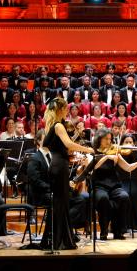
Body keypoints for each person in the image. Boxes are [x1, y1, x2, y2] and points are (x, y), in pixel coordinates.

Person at [38, 97, 94, 249]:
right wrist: (88, 149)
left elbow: (60, 147)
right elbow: (69, 144)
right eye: (66, 109)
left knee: (60, 203)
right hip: (60, 167)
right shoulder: (58, 126)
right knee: (61, 203)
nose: (67, 112)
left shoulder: (51, 126)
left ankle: (56, 238)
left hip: (56, 165)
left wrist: (70, 152)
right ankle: (61, 240)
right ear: (61, 110)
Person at [90, 130, 137, 239]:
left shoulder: (114, 151)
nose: (109, 141)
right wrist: (106, 157)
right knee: (103, 198)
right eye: (106, 139)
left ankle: (118, 231)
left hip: (114, 186)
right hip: (99, 186)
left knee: (124, 197)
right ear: (99, 139)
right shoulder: (93, 152)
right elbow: (92, 168)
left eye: (110, 139)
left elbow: (128, 168)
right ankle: (104, 231)